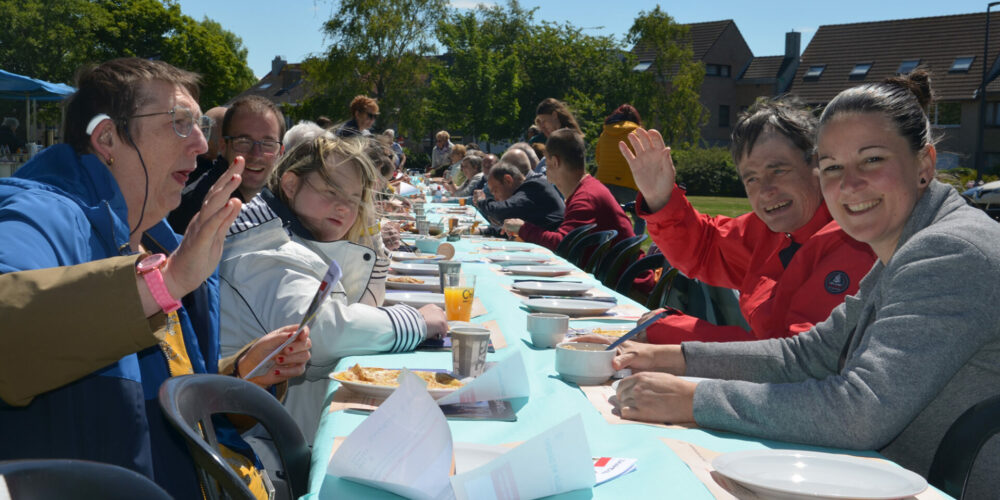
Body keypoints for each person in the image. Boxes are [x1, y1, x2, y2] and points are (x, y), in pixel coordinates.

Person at [610, 71, 1000, 494]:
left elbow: (860, 412)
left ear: (924, 164)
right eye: (833, 167)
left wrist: (693, 399)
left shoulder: (948, 250)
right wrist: (674, 359)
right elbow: (806, 356)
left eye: (872, 159)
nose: (849, 185)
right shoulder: (906, 243)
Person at [0, 57, 311, 500]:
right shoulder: (39, 215)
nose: (203, 145)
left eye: (201, 124)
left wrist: (240, 373)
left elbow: (159, 396)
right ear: (107, 138)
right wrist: (166, 282)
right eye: (180, 123)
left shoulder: (158, 240)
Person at [219, 134, 448, 440]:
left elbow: (363, 308)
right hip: (264, 446)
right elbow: (325, 331)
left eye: (354, 200)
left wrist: (371, 242)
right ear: (290, 185)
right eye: (331, 191)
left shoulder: (286, 235)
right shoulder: (268, 251)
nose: (343, 208)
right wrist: (417, 322)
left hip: (285, 423)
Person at [621, 98, 876, 345]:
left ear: (820, 165)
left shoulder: (854, 240)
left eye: (778, 170)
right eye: (751, 178)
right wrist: (660, 197)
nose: (765, 190)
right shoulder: (771, 230)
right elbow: (705, 248)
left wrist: (670, 330)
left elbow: (795, 356)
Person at [503, 128, 634, 253]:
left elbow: (562, 246)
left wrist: (523, 228)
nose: (544, 168)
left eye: (546, 161)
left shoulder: (585, 197)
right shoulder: (587, 189)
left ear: (554, 162)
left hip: (621, 276)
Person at [169, 95, 286, 233]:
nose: (256, 155)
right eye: (243, 142)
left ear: (281, 151)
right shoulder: (194, 207)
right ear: (223, 146)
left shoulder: (288, 202)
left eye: (268, 144)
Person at [474, 161, 564, 234]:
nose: (496, 198)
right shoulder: (527, 193)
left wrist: (481, 201)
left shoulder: (534, 186)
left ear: (508, 180)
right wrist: (480, 231)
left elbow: (502, 210)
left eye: (495, 191)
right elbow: (507, 229)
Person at [595, 104, 643, 204]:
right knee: (640, 215)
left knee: (609, 217)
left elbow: (598, 158)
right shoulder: (637, 133)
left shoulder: (604, 133)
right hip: (628, 186)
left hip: (604, 185)